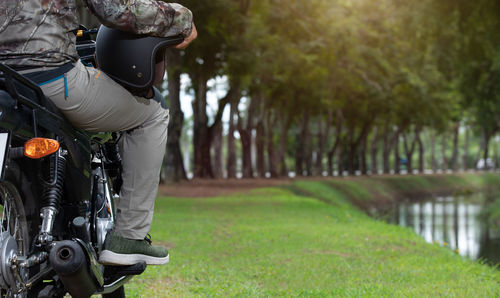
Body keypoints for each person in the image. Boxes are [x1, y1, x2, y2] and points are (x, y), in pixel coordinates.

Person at [0, 1, 197, 265]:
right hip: (51, 77)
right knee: (153, 113)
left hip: (4, 80)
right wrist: (181, 19)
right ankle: (129, 237)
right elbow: (117, 9)